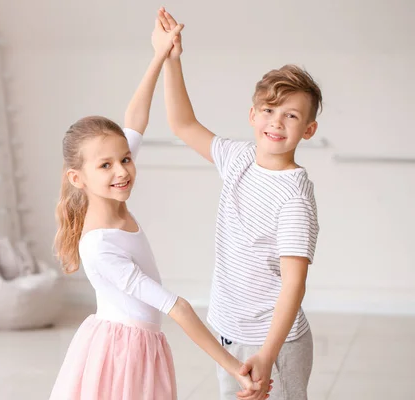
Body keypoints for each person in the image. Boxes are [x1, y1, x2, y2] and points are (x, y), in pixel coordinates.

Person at [49, 15, 267, 400]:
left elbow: (134, 120)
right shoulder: (100, 247)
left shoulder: (108, 182)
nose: (122, 170)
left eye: (126, 159)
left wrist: (162, 56)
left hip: (141, 347)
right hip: (121, 355)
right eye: (107, 165)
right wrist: (234, 367)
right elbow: (178, 308)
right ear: (77, 179)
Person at [158, 7, 321, 400]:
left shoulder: (294, 197)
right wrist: (171, 59)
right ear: (252, 115)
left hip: (274, 345)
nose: (276, 122)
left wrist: (267, 355)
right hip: (229, 334)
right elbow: (182, 124)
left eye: (291, 115)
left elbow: (293, 286)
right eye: (269, 110)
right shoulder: (239, 159)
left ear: (309, 129)